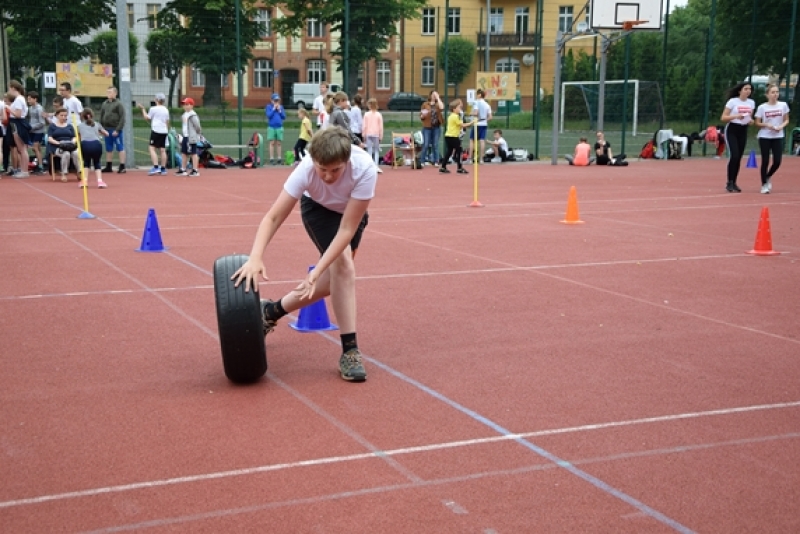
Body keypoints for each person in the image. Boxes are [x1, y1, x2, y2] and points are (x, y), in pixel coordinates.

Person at [232, 127, 377, 383]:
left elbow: (346, 229)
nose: (328, 176)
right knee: (344, 267)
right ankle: (350, 351)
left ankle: (271, 311)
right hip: (318, 209)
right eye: (323, 169)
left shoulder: (364, 167)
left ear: (347, 160)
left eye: (336, 170)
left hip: (349, 215)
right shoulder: (306, 169)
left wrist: (318, 271)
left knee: (333, 281)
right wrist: (255, 257)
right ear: (313, 160)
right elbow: (273, 217)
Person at [754, 84, 790, 194]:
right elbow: (757, 123)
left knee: (777, 161)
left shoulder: (783, 105)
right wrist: (766, 125)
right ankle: (764, 184)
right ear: (767, 94)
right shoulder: (762, 107)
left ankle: (768, 176)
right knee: (765, 160)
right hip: (765, 136)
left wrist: (781, 127)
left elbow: (786, 120)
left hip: (778, 136)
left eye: (777, 92)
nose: (775, 94)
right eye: (773, 92)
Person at [720, 81, 755, 192]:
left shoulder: (751, 103)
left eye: (750, 89)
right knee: (734, 155)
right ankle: (729, 182)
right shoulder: (733, 101)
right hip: (732, 130)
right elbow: (723, 117)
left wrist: (751, 121)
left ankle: (734, 182)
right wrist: (736, 116)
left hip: (743, 130)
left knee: (739, 157)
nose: (748, 91)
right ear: (740, 90)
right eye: (746, 89)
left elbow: (750, 117)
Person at [138, 93, 170, 176]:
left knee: (152, 148)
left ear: (157, 100)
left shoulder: (153, 109)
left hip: (156, 130)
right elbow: (167, 122)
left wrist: (143, 109)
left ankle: (156, 167)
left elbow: (147, 117)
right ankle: (163, 168)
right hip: (164, 131)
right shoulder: (166, 110)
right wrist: (167, 131)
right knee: (162, 150)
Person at [440, 99, 474, 175]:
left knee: (449, 151)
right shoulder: (455, 116)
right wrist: (472, 122)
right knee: (459, 151)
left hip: (448, 136)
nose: (460, 109)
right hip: (453, 137)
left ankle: (443, 167)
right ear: (454, 109)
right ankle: (459, 168)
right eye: (459, 108)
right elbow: (462, 125)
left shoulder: (451, 116)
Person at [77, 109, 109, 189]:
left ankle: (84, 181)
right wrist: (99, 133)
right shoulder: (97, 124)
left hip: (85, 145)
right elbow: (107, 134)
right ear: (92, 115)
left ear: (82, 116)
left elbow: (78, 137)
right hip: (96, 144)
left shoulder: (79, 126)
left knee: (86, 163)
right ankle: (99, 181)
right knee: (97, 162)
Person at [99, 86, 127, 174]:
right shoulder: (104, 104)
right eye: (107, 92)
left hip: (115, 129)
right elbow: (101, 116)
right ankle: (109, 166)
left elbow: (122, 118)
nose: (108, 94)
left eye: (110, 92)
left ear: (115, 93)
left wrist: (118, 130)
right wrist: (101, 128)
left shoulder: (118, 104)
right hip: (106, 130)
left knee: (119, 147)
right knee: (108, 148)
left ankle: (122, 166)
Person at [46, 108, 79, 183]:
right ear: (57, 116)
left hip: (69, 145)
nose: (64, 117)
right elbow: (50, 138)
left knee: (76, 153)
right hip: (57, 146)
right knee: (66, 154)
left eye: (65, 115)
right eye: (62, 115)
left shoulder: (70, 126)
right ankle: (64, 174)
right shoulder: (52, 126)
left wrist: (72, 142)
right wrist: (59, 143)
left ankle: (79, 171)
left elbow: (74, 137)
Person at [7, 80, 31, 177]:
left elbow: (18, 114)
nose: (9, 90)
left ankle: (25, 171)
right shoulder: (19, 99)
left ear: (13, 88)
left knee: (22, 148)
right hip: (15, 123)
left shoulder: (19, 99)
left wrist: (9, 109)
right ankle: (23, 169)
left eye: (9, 88)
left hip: (18, 123)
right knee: (20, 148)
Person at [176, 97, 202, 177]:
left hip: (191, 137)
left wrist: (197, 134)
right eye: (184, 104)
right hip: (185, 136)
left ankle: (195, 170)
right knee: (184, 153)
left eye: (187, 104)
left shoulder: (192, 115)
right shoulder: (184, 115)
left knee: (193, 153)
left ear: (191, 105)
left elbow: (197, 126)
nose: (185, 106)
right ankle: (183, 169)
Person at [420, 90, 444, 165]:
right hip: (427, 127)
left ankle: (436, 161)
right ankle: (422, 161)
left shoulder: (438, 104)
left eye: (436, 94)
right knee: (426, 144)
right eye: (433, 94)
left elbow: (442, 107)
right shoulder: (425, 104)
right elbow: (421, 116)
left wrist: (438, 98)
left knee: (435, 145)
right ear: (430, 95)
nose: (434, 96)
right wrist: (423, 115)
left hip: (436, 127)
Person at [467, 89, 492, 163]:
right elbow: (490, 117)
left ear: (480, 95)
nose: (476, 95)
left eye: (477, 94)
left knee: (472, 140)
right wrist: (484, 120)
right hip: (484, 124)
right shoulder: (487, 105)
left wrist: (470, 113)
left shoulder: (476, 102)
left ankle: (470, 159)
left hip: (477, 124)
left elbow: (476, 113)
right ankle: (481, 159)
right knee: (482, 140)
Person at [26, 91, 46, 174]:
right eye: (28, 99)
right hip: (32, 130)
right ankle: (40, 164)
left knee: (35, 148)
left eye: (30, 99)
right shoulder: (30, 108)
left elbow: (42, 122)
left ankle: (40, 167)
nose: (28, 101)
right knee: (37, 149)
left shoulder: (39, 108)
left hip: (38, 131)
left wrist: (32, 128)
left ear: (35, 99)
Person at [266, 93, 286, 165]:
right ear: (271, 100)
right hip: (271, 127)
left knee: (279, 143)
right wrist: (274, 109)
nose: (276, 102)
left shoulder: (281, 107)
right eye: (275, 100)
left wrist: (280, 110)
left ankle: (279, 158)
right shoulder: (269, 107)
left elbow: (284, 117)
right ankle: (271, 158)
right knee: (272, 142)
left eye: (277, 100)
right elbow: (268, 115)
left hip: (279, 127)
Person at [362, 97, 383, 165]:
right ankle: (376, 165)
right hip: (376, 134)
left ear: (370, 105)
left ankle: (370, 164)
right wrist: (381, 136)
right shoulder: (379, 114)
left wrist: (363, 135)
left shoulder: (366, 114)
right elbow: (380, 127)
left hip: (368, 134)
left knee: (369, 150)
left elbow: (364, 126)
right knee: (376, 150)